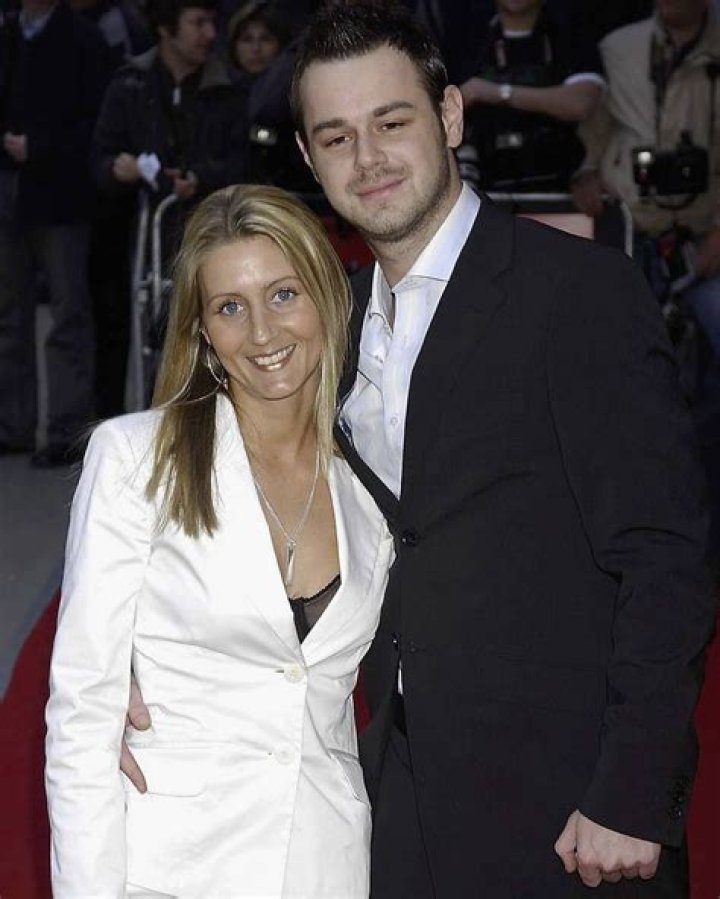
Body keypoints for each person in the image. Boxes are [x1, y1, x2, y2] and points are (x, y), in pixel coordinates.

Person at [122, 1, 714, 894]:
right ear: (309, 155)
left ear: (450, 116)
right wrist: (134, 662)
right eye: (337, 137)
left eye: (391, 122)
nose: (368, 158)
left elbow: (666, 555)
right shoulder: (333, 320)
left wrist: (635, 790)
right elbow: (235, 496)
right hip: (396, 792)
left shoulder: (578, 293)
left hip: (569, 809)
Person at [45, 184, 394, 897]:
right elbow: (82, 716)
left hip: (323, 865)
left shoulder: (373, 485)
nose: (262, 332)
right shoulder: (137, 459)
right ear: (203, 331)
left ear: (328, 296)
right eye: (230, 307)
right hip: (168, 869)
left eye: (283, 294)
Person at [571, 0, 720, 568]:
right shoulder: (619, 47)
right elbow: (593, 129)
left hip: (704, 243)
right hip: (631, 238)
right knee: (612, 380)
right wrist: (586, 172)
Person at [0, 0, 110, 465]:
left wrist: (42, 145)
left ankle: (66, 428)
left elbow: (98, 120)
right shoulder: (8, 34)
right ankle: (12, 424)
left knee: (68, 313)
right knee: (9, 312)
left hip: (63, 193)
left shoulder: (83, 39)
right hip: (9, 186)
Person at [457, 0, 605, 190]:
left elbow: (580, 104)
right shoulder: (465, 38)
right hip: (481, 182)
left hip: (558, 182)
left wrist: (498, 93)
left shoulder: (569, 33)